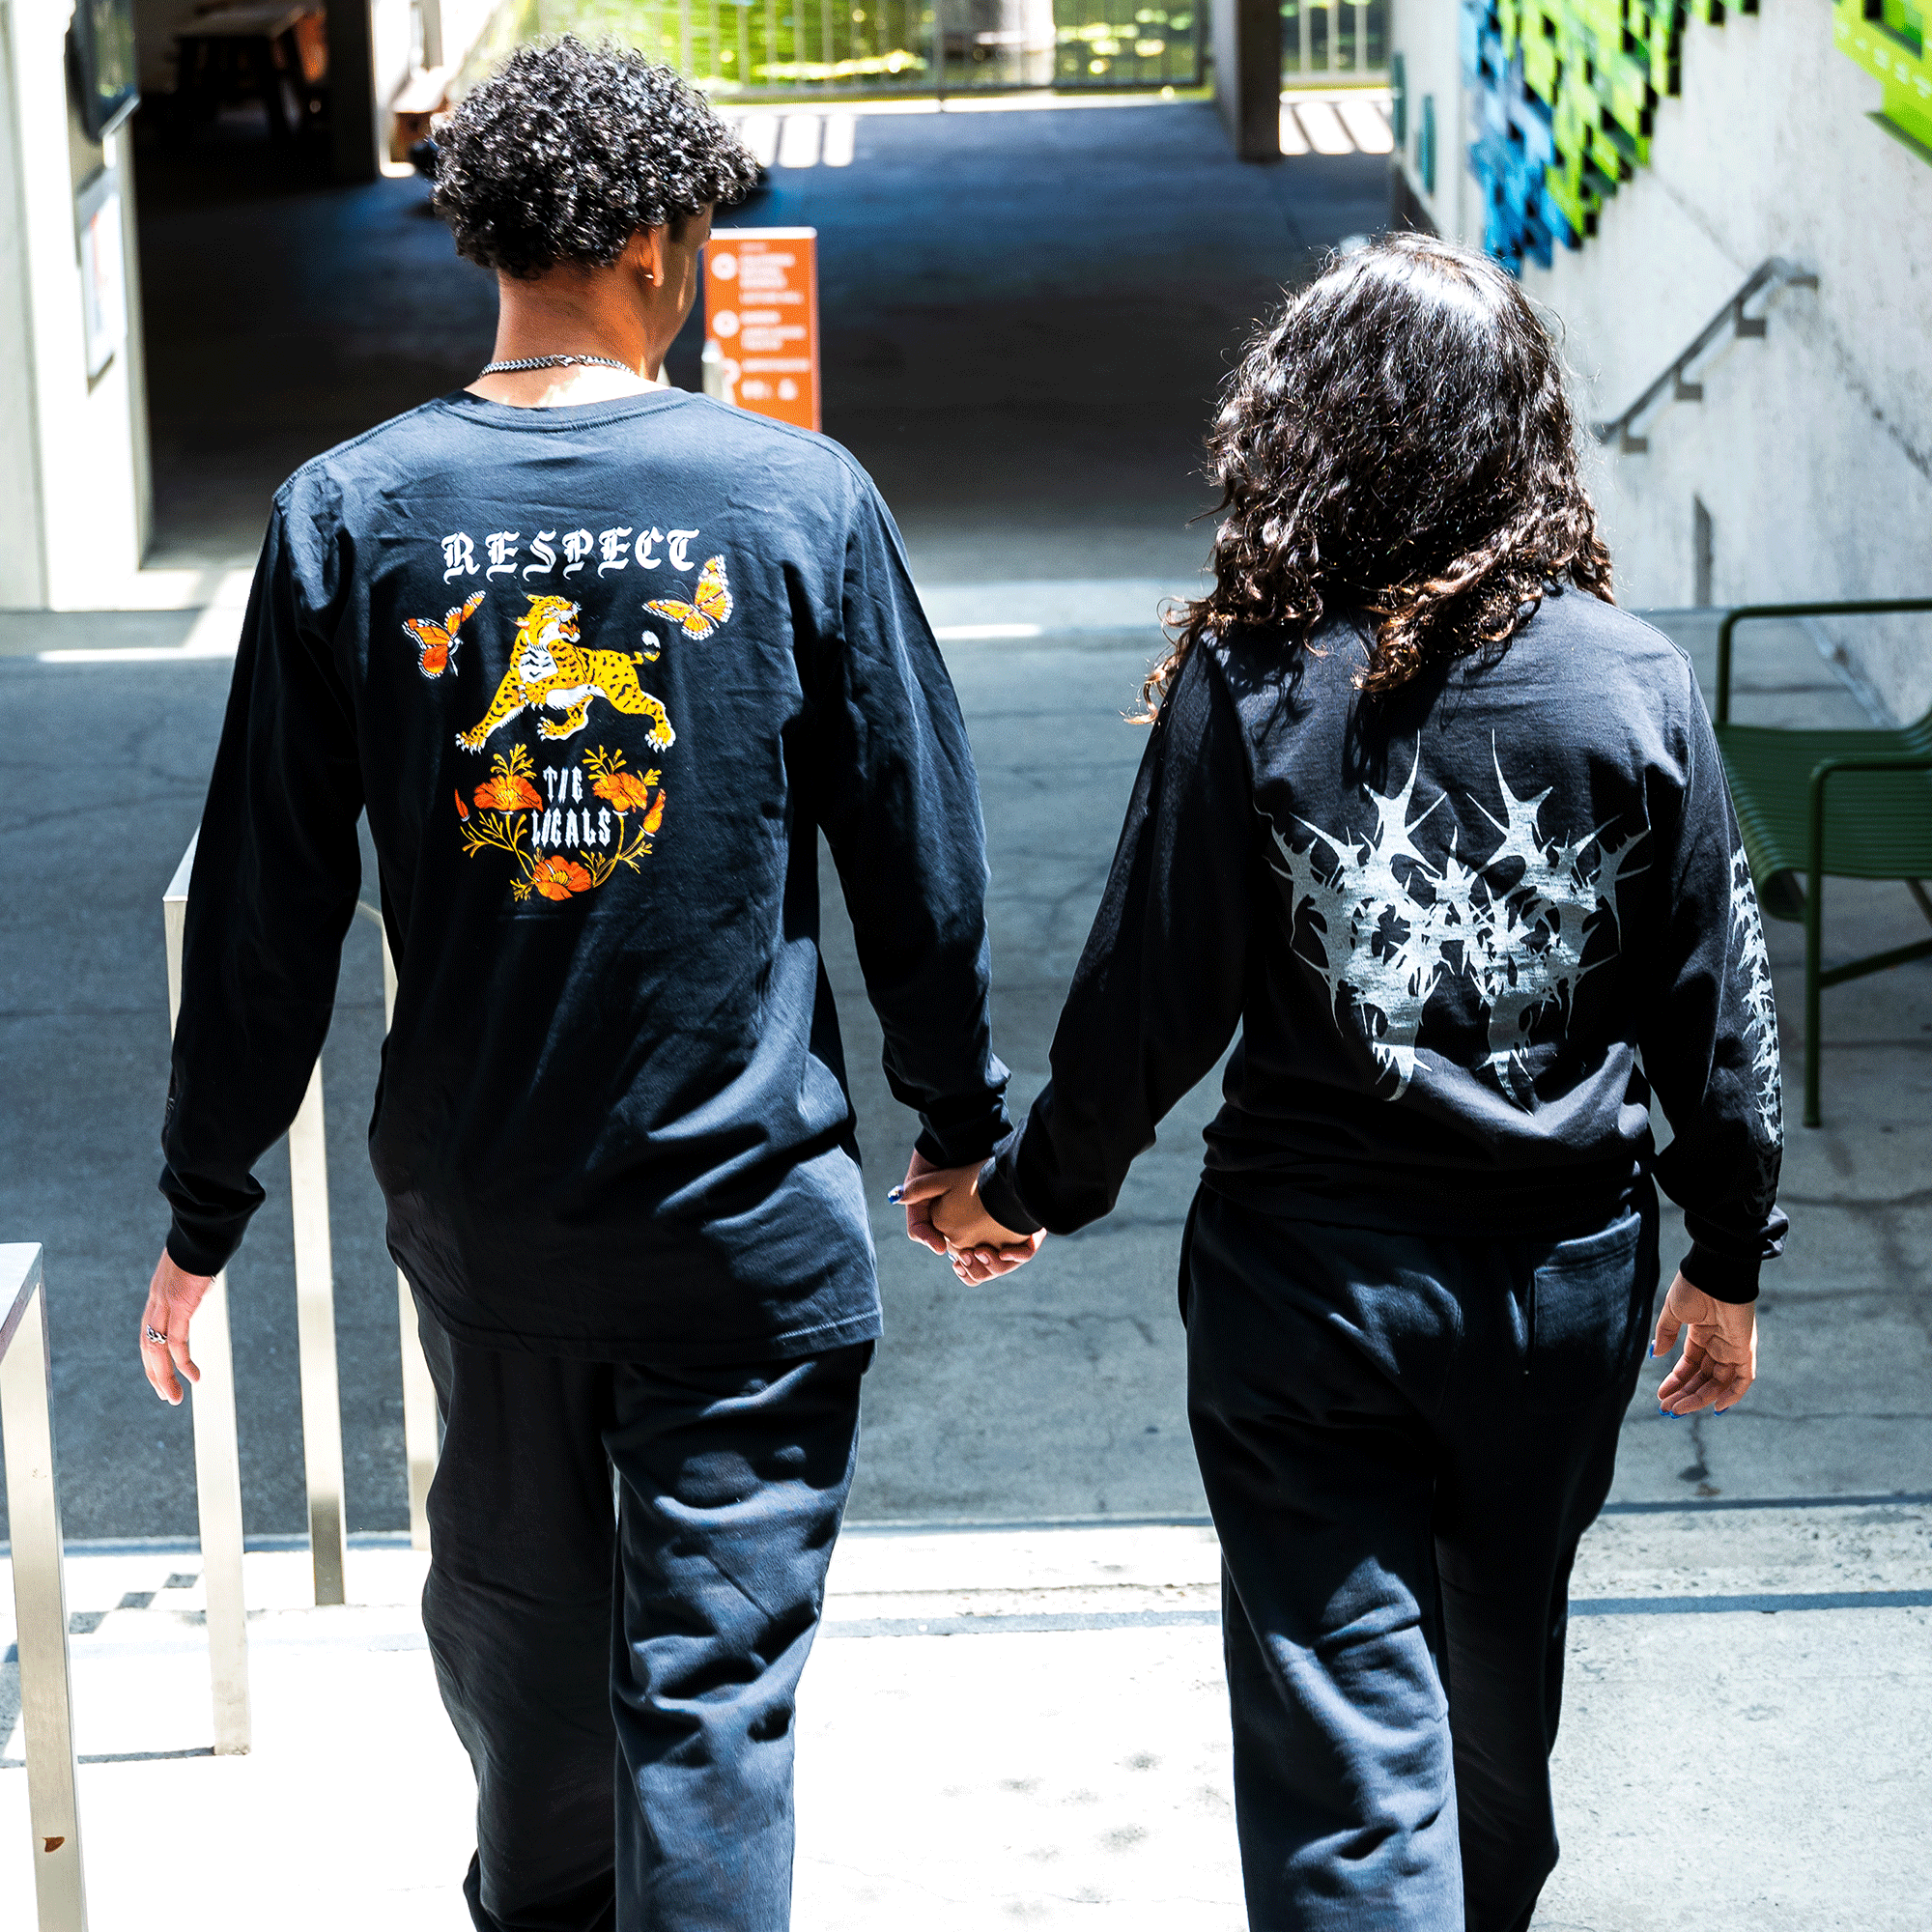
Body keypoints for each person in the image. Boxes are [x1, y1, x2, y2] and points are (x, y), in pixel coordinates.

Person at [140, 40, 1010, 1932]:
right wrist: (962, 1135)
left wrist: (203, 1212)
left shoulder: (350, 521)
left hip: (495, 1231)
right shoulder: (796, 503)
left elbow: (268, 914)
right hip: (743, 1238)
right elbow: (917, 870)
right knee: (702, 1730)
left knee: (536, 1718)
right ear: (658, 235)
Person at [903, 235, 1786, 1930]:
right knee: (1499, 1696)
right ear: (1520, 434)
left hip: (1309, 1295)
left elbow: (1148, 1004)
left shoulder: (1254, 683)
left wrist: (1020, 1194)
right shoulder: (1635, 681)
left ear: (1308, 431)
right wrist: (1728, 1260)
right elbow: (1717, 1023)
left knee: (1344, 1736)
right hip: (1558, 1289)